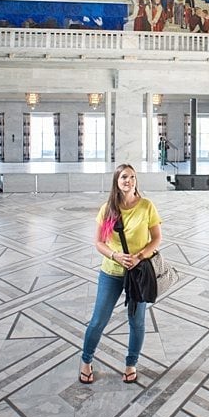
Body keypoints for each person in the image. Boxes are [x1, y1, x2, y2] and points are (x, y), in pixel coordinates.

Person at [80, 164, 163, 385]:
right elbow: (98, 242)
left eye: (132, 177)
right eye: (124, 177)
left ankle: (130, 364)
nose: (129, 181)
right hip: (112, 273)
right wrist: (115, 255)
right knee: (98, 320)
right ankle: (86, 361)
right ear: (117, 181)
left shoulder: (147, 206)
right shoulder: (108, 209)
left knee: (137, 322)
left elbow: (156, 238)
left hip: (138, 274)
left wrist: (141, 256)